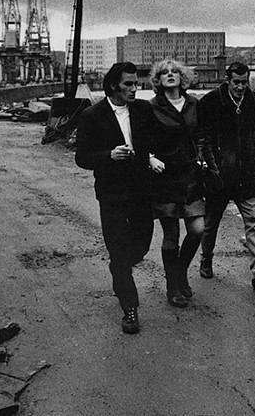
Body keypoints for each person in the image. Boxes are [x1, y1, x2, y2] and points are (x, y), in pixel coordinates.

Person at [74, 62, 154, 334]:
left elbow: (152, 143)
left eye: (136, 83)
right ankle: (129, 308)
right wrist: (109, 155)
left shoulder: (143, 110)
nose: (135, 88)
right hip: (112, 193)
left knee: (141, 245)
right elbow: (82, 158)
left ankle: (119, 267)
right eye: (129, 84)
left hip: (141, 191)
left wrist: (152, 158)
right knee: (119, 251)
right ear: (113, 86)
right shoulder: (92, 116)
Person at [198, 61, 255, 290]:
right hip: (220, 177)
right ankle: (206, 258)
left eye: (245, 82)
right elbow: (203, 139)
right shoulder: (211, 102)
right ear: (228, 80)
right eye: (236, 82)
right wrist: (211, 170)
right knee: (210, 223)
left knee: (253, 223)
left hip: (247, 176)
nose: (241, 87)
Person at [147, 59, 216, 308]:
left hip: (191, 176)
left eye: (174, 71)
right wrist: (150, 158)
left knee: (198, 230)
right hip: (165, 178)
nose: (169, 75)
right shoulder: (152, 107)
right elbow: (142, 138)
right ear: (158, 80)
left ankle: (179, 273)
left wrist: (205, 160)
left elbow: (202, 135)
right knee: (171, 237)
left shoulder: (194, 103)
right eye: (164, 73)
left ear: (182, 77)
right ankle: (172, 288)